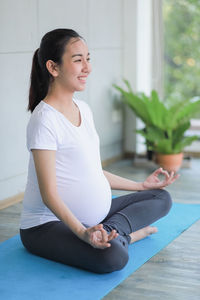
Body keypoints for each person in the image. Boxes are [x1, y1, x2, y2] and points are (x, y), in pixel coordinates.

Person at [20, 28, 179, 274]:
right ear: (53, 68)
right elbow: (49, 194)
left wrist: (141, 186)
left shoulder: (83, 108)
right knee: (113, 258)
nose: (87, 68)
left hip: (96, 218)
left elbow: (93, 172)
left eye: (88, 58)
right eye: (77, 60)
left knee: (161, 197)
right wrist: (83, 234)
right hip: (46, 226)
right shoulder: (44, 121)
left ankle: (111, 232)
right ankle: (124, 237)